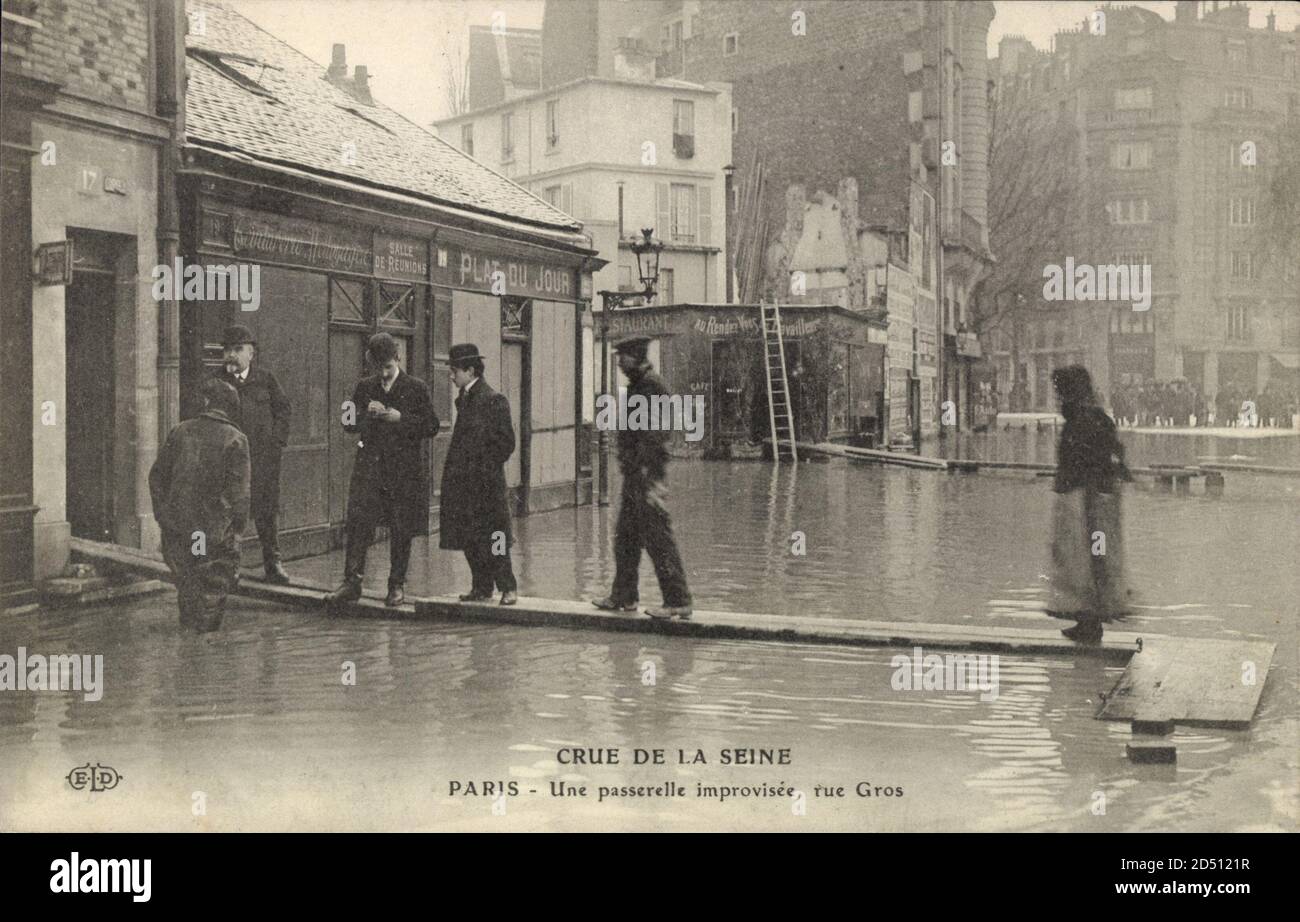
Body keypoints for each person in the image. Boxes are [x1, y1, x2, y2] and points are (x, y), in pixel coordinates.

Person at [326, 333, 439, 607]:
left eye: (388, 367)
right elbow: (347, 422)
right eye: (380, 368)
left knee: (401, 528)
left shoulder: (416, 388)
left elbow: (432, 426)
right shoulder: (364, 387)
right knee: (359, 524)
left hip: (403, 473)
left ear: (398, 359)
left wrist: (401, 419)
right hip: (370, 470)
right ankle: (352, 583)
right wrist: (366, 414)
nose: (385, 374)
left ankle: (396, 585)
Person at [592, 336, 693, 620]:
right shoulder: (640, 385)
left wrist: (651, 480)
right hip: (636, 476)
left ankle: (678, 601)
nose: (619, 362)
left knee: (659, 539)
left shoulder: (651, 387)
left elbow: (655, 436)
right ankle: (624, 597)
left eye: (622, 357)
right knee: (625, 538)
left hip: (646, 477)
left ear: (635, 357)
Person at [149, 378, 250, 632]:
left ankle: (190, 658)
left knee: (187, 590)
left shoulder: (180, 431)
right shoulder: (236, 439)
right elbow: (240, 497)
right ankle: (203, 658)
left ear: (206, 402)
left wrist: (163, 516)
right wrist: (236, 534)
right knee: (211, 597)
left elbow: (156, 477)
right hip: (214, 534)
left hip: (179, 531)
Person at [1046, 365, 1133, 644]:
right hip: (1096, 500)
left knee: (1085, 559)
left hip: (1085, 502)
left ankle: (1090, 620)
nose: (1057, 397)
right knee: (1092, 558)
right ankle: (1091, 617)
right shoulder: (1096, 417)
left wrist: (1075, 487)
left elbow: (1083, 460)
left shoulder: (1081, 420)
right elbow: (1116, 454)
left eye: (1060, 391)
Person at [439, 343, 518, 605]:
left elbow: (506, 443)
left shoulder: (493, 400)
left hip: (487, 485)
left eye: (455, 371)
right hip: (465, 485)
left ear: (470, 370)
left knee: (496, 538)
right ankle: (481, 588)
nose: (451, 376)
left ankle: (508, 588)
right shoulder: (465, 397)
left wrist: (483, 468)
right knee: (470, 538)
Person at [217, 325, 292, 583]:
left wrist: (276, 444)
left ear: (251, 353)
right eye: (228, 350)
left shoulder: (265, 379)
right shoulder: (217, 383)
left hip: (263, 461)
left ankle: (273, 565)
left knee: (266, 512)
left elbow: (283, 411)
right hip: (230, 463)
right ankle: (230, 566)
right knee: (230, 514)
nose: (232, 355)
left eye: (238, 349)